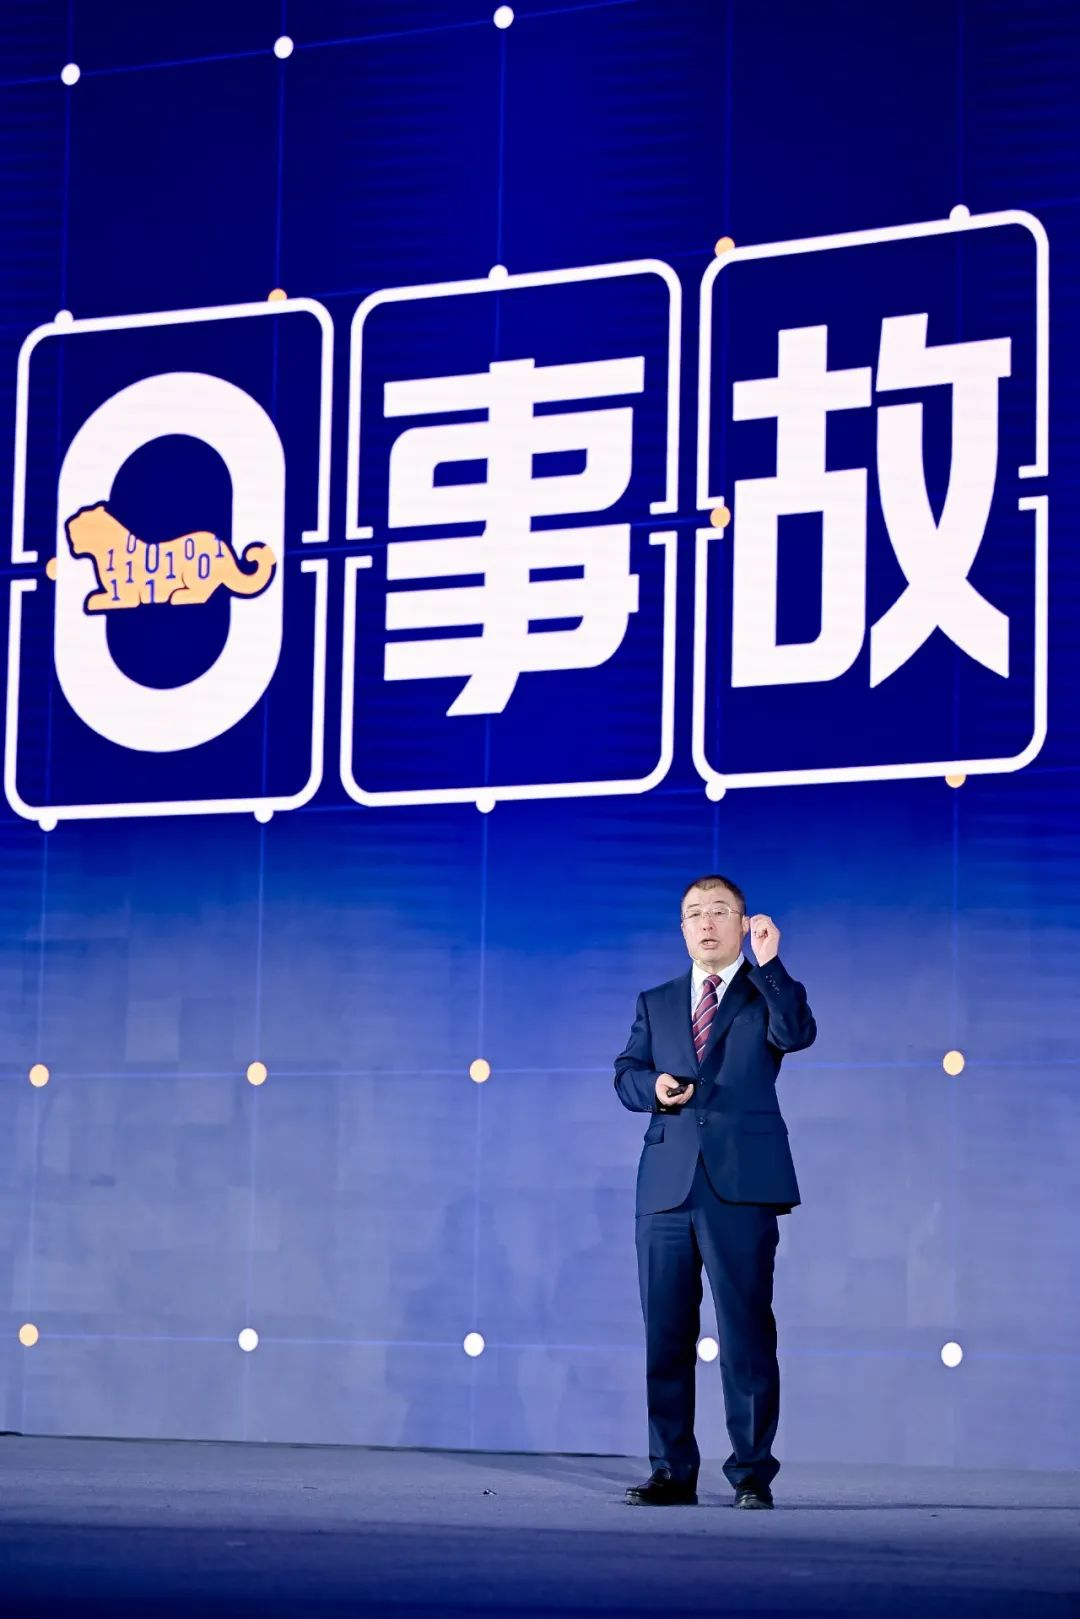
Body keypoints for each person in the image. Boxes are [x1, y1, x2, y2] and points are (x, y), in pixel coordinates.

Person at [614, 873, 816, 1509]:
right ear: (682, 929)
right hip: (666, 1187)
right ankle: (671, 1471)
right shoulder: (656, 1001)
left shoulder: (765, 991)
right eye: (694, 913)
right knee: (665, 1336)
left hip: (742, 1185)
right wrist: (655, 1089)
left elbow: (797, 1033)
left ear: (743, 923)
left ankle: (751, 1473)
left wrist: (771, 963)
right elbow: (626, 1074)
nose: (706, 922)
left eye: (720, 911)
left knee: (746, 1334)